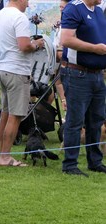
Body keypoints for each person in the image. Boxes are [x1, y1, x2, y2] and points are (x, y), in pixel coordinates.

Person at [0, 0, 44, 167]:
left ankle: (2, 154)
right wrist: (37, 44)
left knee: (5, 113)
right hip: (17, 71)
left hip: (2, 69)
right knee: (15, 115)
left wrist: (6, 52)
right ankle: (5, 157)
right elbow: (24, 45)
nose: (28, 3)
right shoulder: (19, 17)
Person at [60, 0, 106, 176]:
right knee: (75, 120)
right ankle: (70, 164)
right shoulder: (74, 8)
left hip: (96, 74)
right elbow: (66, 39)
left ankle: (95, 161)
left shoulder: (99, 11)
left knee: (96, 120)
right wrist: (95, 49)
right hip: (77, 74)